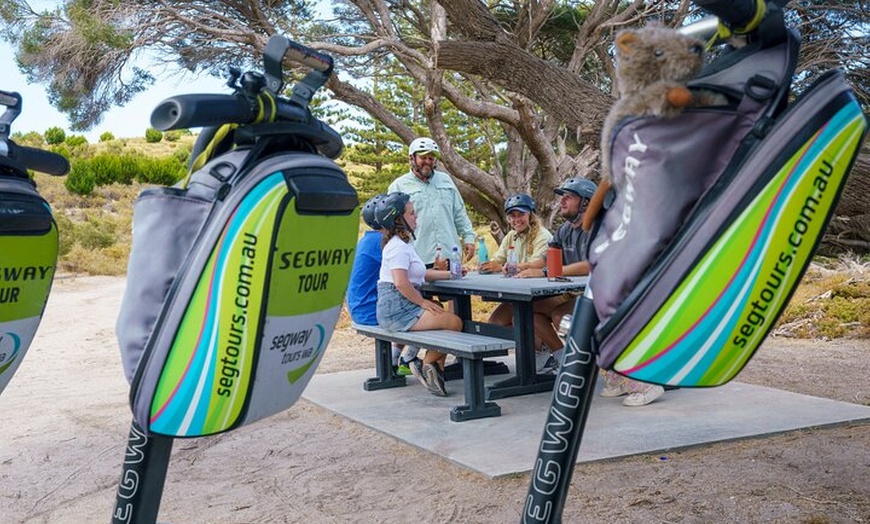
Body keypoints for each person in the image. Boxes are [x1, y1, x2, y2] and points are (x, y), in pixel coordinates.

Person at [518, 177, 665, 406]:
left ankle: (644, 384)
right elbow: (549, 257)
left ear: (586, 202)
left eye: (568, 197)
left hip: (621, 296)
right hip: (590, 294)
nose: (562, 201)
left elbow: (592, 264)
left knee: (566, 316)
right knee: (534, 309)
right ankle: (604, 374)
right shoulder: (565, 230)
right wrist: (524, 267)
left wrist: (546, 272)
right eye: (561, 196)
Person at [374, 192, 463, 397]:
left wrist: (451, 274)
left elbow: (421, 273)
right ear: (399, 219)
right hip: (396, 308)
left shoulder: (404, 244)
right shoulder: (397, 247)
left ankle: (436, 373)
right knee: (454, 323)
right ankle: (425, 364)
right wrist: (422, 302)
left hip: (399, 305)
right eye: (412, 213)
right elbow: (400, 282)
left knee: (439, 310)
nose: (416, 217)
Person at [480, 193, 554, 370]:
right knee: (495, 325)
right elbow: (499, 259)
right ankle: (538, 347)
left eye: (521, 214)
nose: (516, 219)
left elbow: (540, 263)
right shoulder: (511, 236)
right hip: (518, 294)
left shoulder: (543, 235)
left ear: (531, 215)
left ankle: (543, 351)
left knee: (519, 319)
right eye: (512, 215)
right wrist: (489, 265)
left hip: (542, 295)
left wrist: (511, 266)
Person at [387, 137, 476, 266]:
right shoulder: (398, 186)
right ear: (412, 158)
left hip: (450, 254)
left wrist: (469, 238)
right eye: (423, 158)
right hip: (417, 257)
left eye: (431, 158)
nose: (428, 162)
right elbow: (392, 224)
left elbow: (459, 212)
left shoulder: (446, 180)